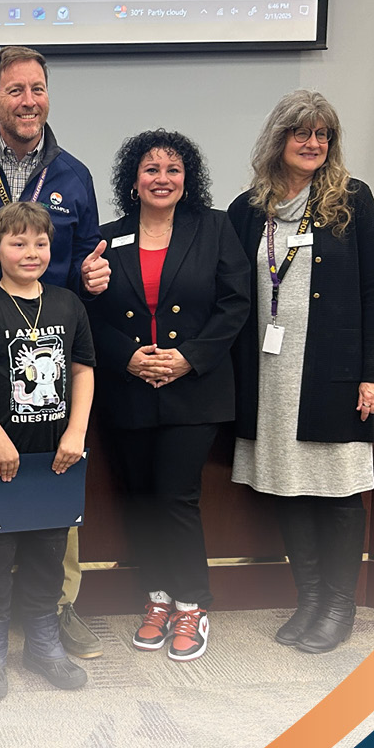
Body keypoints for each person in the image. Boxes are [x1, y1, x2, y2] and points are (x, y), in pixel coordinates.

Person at [0, 45, 109, 660]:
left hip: (51, 356)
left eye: (37, 88)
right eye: (14, 90)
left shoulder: (73, 174)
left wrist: (97, 278)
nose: (28, 100)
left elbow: (91, 257)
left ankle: (56, 606)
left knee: (55, 477)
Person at [229, 90, 374, 653]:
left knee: (338, 491)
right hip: (270, 378)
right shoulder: (249, 210)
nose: (313, 143)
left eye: (323, 135)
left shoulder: (353, 201)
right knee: (289, 490)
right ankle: (312, 598)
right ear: (280, 139)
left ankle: (339, 605)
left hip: (333, 374)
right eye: (302, 133)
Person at [86, 130, 250, 662]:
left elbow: (235, 304)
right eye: (150, 170)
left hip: (194, 389)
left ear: (188, 178)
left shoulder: (216, 228)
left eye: (172, 169)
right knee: (137, 497)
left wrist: (189, 358)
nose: (162, 178)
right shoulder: (106, 238)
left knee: (176, 497)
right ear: (133, 181)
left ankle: (192, 606)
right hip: (129, 385)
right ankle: (157, 599)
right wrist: (127, 357)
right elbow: (89, 314)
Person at [0, 202, 96, 699]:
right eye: (18, 242)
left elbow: (82, 371)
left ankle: (43, 642)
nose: (31, 252)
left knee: (48, 555)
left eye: (40, 242)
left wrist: (76, 432)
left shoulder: (67, 304)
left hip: (56, 460)